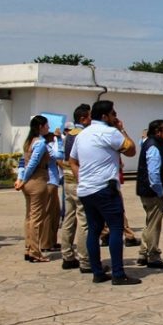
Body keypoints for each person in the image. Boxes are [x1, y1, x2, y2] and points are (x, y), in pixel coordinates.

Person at [69, 100, 140, 285]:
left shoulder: (82, 135)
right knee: (116, 228)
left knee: (93, 229)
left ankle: (97, 271)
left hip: (86, 190)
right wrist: (121, 129)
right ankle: (118, 273)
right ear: (105, 116)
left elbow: (72, 161)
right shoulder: (110, 132)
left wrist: (81, 178)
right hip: (105, 188)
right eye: (113, 114)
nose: (116, 117)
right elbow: (131, 150)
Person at [135, 119, 163, 270]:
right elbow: (153, 173)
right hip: (153, 192)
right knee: (154, 225)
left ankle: (143, 252)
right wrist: (160, 191)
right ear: (158, 132)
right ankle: (153, 255)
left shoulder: (152, 144)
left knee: (150, 222)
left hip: (148, 191)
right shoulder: (154, 147)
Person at [15, 115, 53, 263]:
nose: (48, 128)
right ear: (40, 127)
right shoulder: (40, 143)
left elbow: (23, 162)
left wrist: (20, 179)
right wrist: (23, 178)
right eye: (46, 125)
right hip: (37, 180)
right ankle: (35, 252)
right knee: (37, 218)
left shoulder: (28, 142)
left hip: (28, 182)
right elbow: (32, 163)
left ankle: (28, 247)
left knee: (29, 216)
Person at [59, 104, 92, 272]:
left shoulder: (69, 135)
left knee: (69, 218)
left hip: (67, 180)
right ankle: (85, 259)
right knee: (84, 221)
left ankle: (67, 255)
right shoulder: (84, 134)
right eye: (89, 117)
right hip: (79, 179)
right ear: (83, 119)